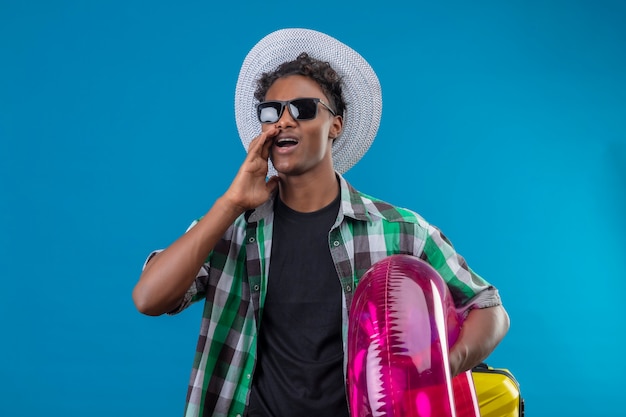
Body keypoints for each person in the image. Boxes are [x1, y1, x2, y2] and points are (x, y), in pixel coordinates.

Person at [132, 28, 510, 417]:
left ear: (336, 125)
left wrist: (444, 366)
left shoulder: (399, 229)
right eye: (271, 111)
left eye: (303, 109)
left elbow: (489, 306)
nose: (283, 121)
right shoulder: (231, 226)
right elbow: (148, 298)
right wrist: (230, 203)